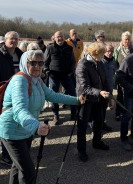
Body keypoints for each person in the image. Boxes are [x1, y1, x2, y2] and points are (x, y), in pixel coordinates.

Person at [0, 50, 85, 184]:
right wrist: (36, 126)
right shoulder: (20, 81)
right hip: (12, 131)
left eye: (40, 63)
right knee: (28, 172)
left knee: (18, 166)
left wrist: (76, 100)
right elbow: (19, 109)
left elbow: (53, 95)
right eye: (32, 63)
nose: (37, 66)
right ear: (24, 63)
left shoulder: (37, 80)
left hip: (26, 130)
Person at [76, 42, 110, 162]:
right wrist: (99, 92)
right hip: (85, 99)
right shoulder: (82, 65)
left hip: (98, 98)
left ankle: (97, 142)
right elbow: (85, 87)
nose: (104, 55)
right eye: (102, 53)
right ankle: (81, 150)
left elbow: (104, 79)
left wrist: (107, 95)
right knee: (82, 125)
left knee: (99, 121)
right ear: (95, 54)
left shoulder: (99, 62)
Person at [44, 31, 77, 125]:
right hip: (54, 76)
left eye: (61, 36)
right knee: (54, 96)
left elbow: (73, 61)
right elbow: (45, 62)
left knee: (73, 93)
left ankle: (74, 113)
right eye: (58, 37)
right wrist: (47, 72)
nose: (60, 38)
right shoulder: (50, 48)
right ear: (54, 38)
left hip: (66, 75)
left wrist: (71, 72)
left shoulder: (69, 48)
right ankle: (56, 115)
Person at [0, 31, 23, 166]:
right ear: (5, 40)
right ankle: (5, 155)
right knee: (5, 122)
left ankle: (12, 151)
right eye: (11, 39)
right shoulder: (0, 54)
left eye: (16, 39)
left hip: (17, 91)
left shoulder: (20, 54)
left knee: (15, 120)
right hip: (3, 91)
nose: (13, 41)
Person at [113, 31, 133, 121]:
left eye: (128, 39)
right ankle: (118, 113)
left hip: (131, 76)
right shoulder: (117, 50)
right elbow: (114, 62)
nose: (127, 41)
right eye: (125, 39)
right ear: (122, 39)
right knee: (120, 95)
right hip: (121, 76)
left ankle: (128, 112)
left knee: (129, 95)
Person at [102, 43, 117, 131]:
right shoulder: (100, 61)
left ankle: (103, 124)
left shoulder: (113, 62)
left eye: (111, 51)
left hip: (109, 88)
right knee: (98, 108)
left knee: (104, 108)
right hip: (100, 89)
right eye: (108, 51)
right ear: (104, 51)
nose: (110, 53)